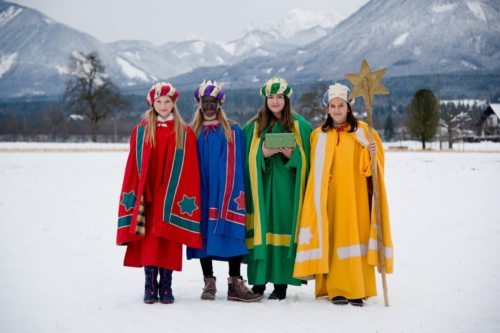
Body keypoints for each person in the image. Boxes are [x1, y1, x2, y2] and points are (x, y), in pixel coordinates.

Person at [293, 83, 394, 307]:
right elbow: (314, 170)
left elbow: (372, 172)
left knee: (354, 238)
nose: (337, 110)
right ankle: (334, 289)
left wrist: (372, 155)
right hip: (328, 198)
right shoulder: (319, 136)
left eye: (341, 105)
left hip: (355, 196)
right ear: (326, 108)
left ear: (349, 107)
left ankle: (358, 288)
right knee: (333, 237)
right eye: (332, 106)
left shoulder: (364, 133)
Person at [116, 82, 203, 304]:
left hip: (172, 196)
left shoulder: (184, 133)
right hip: (149, 194)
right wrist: (138, 191)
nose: (163, 106)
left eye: (167, 102)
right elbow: (133, 167)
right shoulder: (142, 131)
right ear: (152, 104)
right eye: (159, 102)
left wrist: (175, 193)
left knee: (168, 239)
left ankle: (166, 285)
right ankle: (149, 285)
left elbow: (190, 170)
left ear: (174, 104)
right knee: (150, 240)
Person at [187, 80, 262, 302]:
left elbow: (238, 163)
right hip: (201, 189)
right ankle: (208, 281)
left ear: (220, 104)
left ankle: (235, 282)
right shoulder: (193, 132)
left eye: (213, 102)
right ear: (199, 104)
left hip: (227, 191)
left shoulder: (233, 130)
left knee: (231, 230)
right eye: (205, 102)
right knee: (204, 233)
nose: (209, 106)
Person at [242, 77, 312, 300]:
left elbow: (309, 160)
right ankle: (259, 282)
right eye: (270, 97)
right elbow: (244, 158)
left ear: (286, 99)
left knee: (282, 231)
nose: (274, 101)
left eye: (279, 97)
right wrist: (262, 154)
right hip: (260, 190)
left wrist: (293, 156)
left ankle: (281, 284)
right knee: (261, 232)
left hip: (287, 190)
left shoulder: (300, 125)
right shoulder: (253, 126)